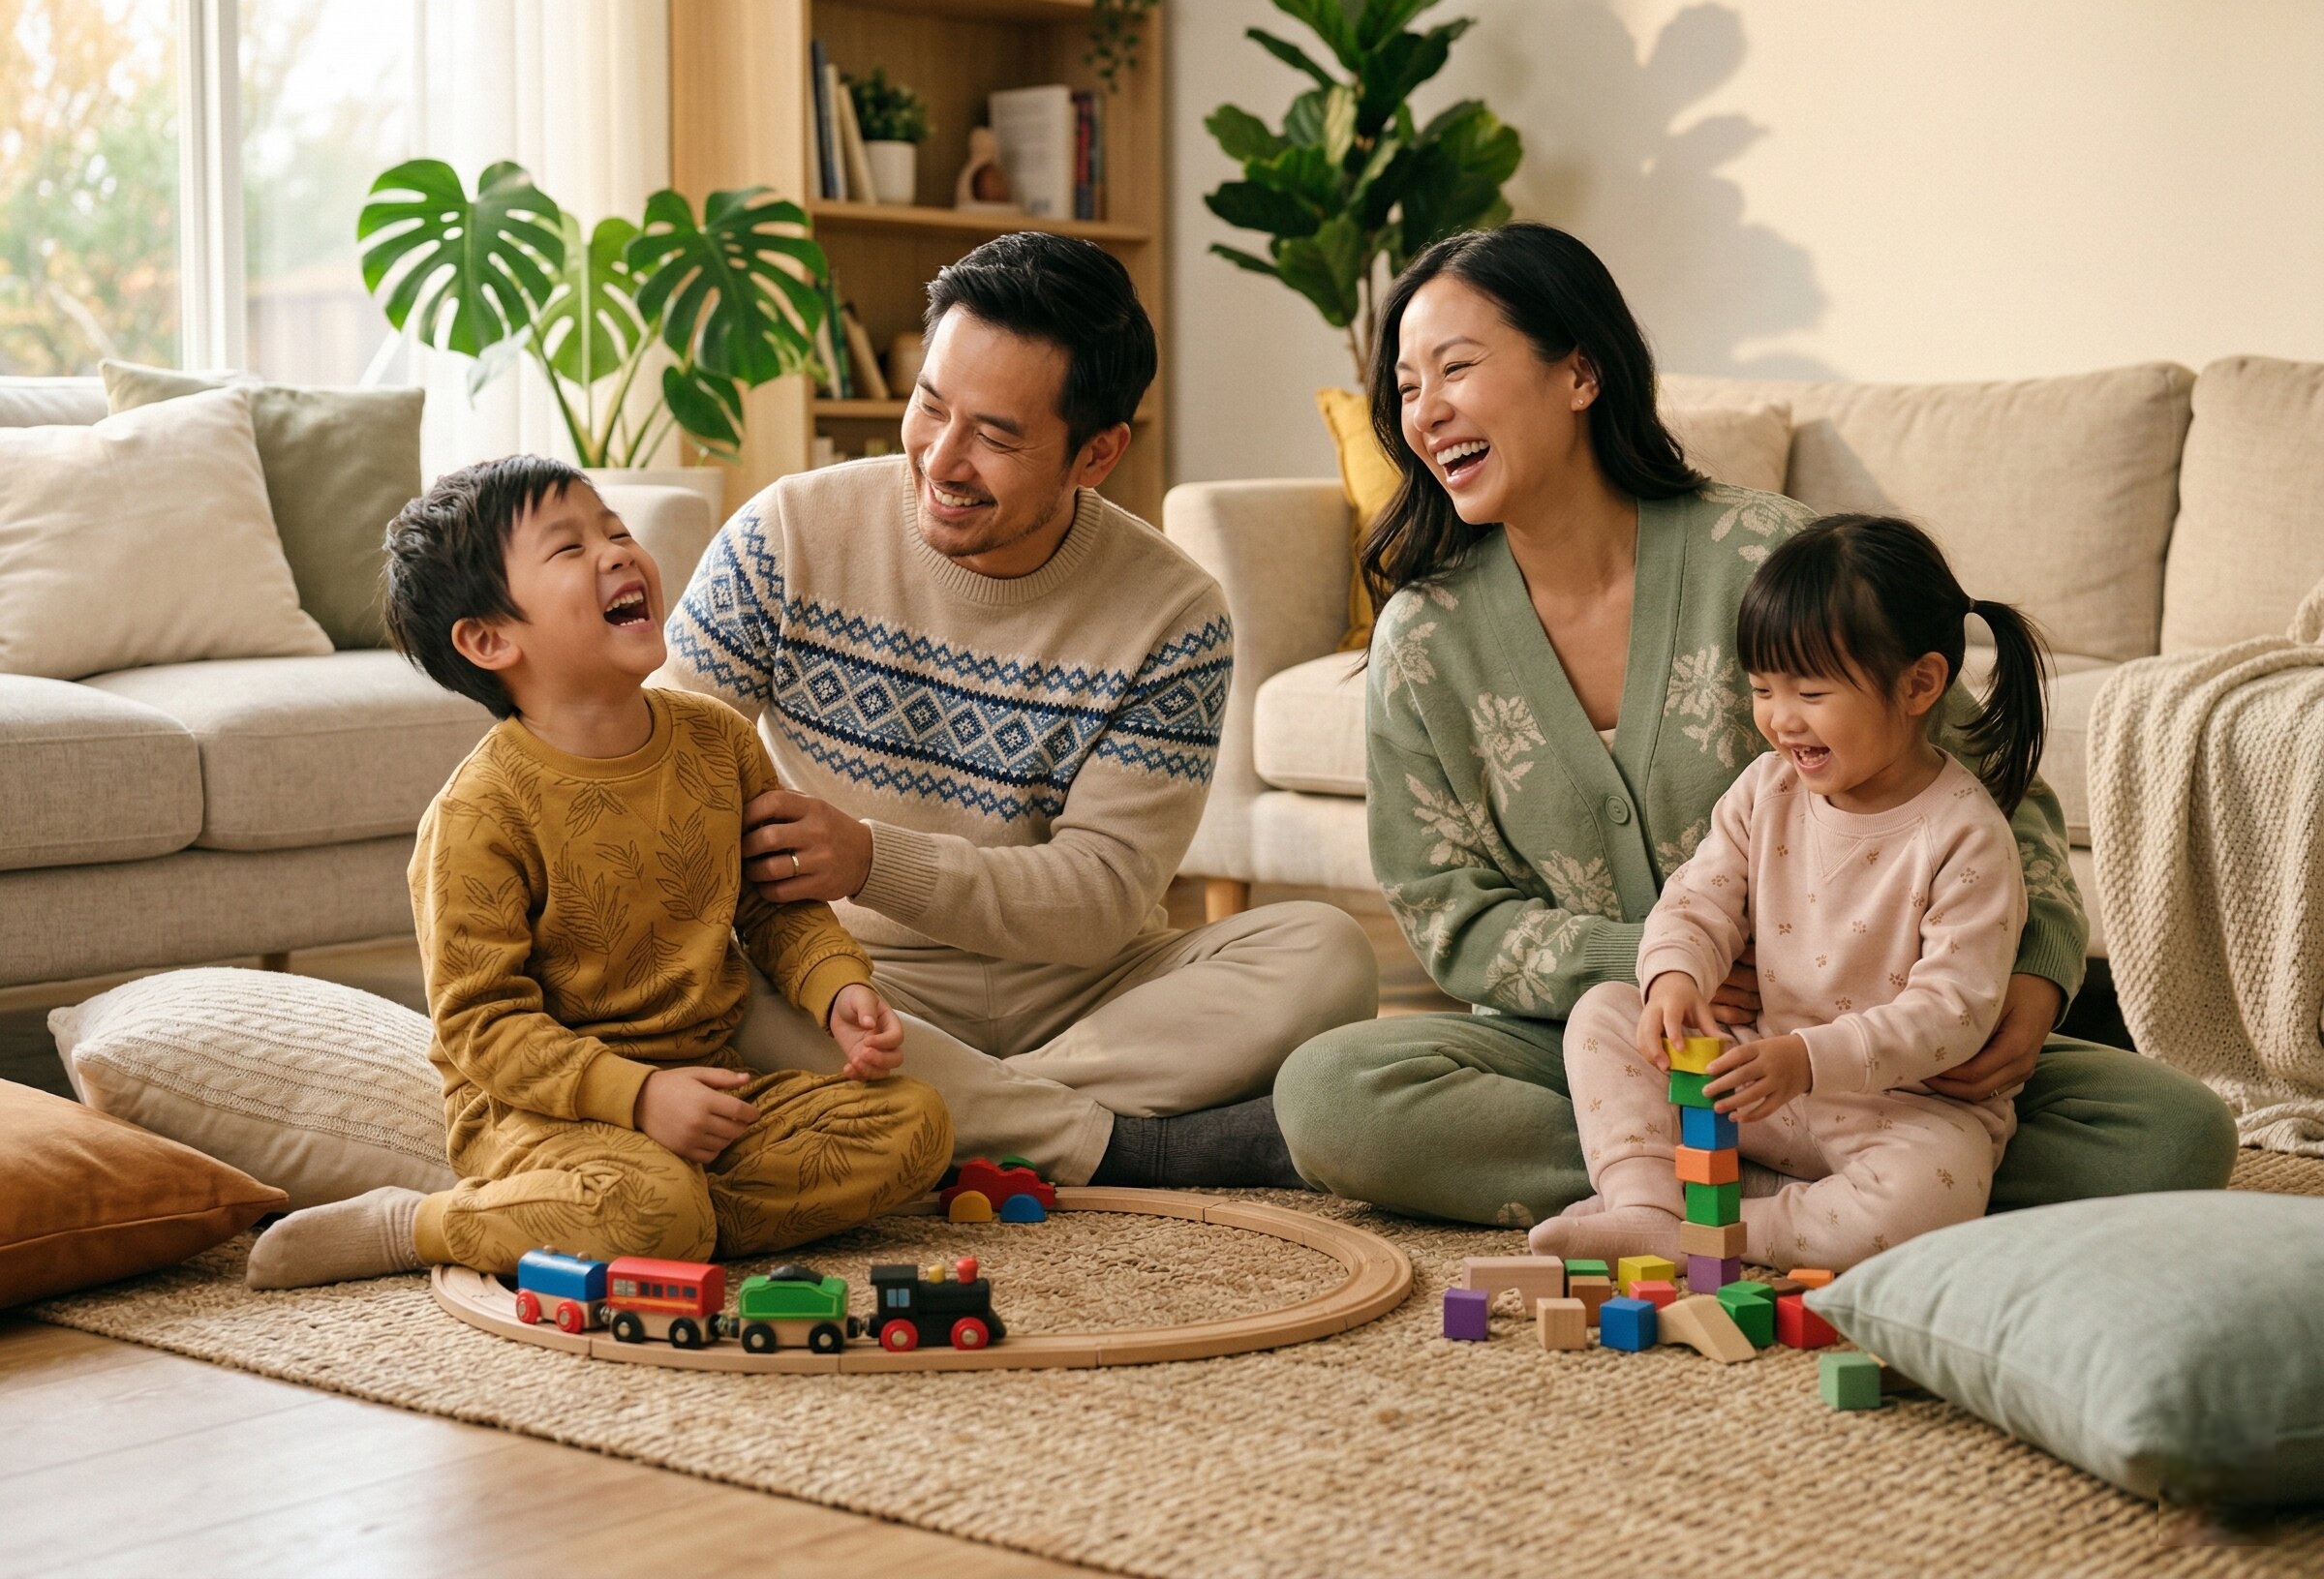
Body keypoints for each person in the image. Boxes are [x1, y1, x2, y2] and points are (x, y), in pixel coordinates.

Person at [1271, 221, 2238, 1227]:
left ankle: (1723, 1189)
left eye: (1454, 369)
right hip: (1597, 1042)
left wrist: (2037, 974)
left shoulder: (1765, 554)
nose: (1424, 413)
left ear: (1581, 373)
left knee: (2174, 1132)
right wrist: (1661, 964)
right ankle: (1780, 1190)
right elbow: (1448, 915)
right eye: (1407, 387)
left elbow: (1986, 782)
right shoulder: (1425, 638)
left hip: (1871, 1052)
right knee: (1334, 1096)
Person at [657, 232, 1377, 1188]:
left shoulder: (1175, 614)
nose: (942, 460)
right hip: (850, 987)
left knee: (1327, 955)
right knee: (700, 978)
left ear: (1099, 453)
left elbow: (1100, 901)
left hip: (1086, 989)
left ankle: (944, 1119)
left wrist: (870, 856)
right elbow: (656, 771)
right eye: (929, 406)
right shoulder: (785, 536)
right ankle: (1118, 1146)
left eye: (996, 436)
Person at [247, 458, 951, 1289]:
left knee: (917, 1125)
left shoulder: (719, 741)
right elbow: (483, 1028)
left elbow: (775, 907)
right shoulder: (479, 816)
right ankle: (427, 1223)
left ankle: (657, 1224)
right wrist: (639, 1097)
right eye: (570, 547)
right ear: (488, 639)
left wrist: (837, 988)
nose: (618, 552)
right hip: (540, 1115)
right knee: (655, 1207)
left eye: (615, 529)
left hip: (704, 1095)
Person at [1530, 514, 2045, 1269]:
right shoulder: (1765, 790)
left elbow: (1952, 1013)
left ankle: (1714, 1235)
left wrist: (1809, 1061)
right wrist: (1674, 975)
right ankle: (1642, 1201)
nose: (1780, 719)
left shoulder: (1966, 834)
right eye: (1763, 689)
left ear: (1919, 685)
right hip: (1752, 1073)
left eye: (1809, 690)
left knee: (1931, 1197)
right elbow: (1698, 897)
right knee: (1606, 1011)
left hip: (1899, 1107)